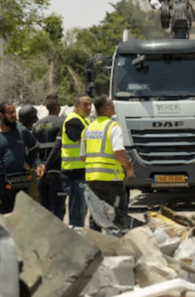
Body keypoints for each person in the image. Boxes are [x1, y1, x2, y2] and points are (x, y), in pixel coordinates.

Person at [81, 95, 134, 231]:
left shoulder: (87, 129)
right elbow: (119, 152)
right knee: (118, 214)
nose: (114, 105)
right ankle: (118, 245)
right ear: (107, 108)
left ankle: (97, 245)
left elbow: (83, 157)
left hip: (92, 179)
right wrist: (128, 168)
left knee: (96, 215)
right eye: (111, 104)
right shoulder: (113, 127)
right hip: (111, 180)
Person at [0, 102, 40, 213]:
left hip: (21, 184)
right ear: (1, 116)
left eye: (14, 112)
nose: (14, 116)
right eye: (10, 113)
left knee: (22, 219)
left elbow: (34, 148)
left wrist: (32, 163)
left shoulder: (22, 131)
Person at [49, 94, 91, 227]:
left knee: (81, 210)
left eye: (90, 105)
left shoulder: (84, 121)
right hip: (73, 173)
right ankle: (76, 240)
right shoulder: (73, 121)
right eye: (85, 105)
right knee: (77, 212)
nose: (89, 108)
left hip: (80, 172)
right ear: (76, 106)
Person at [27, 95, 67, 220]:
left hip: (41, 174)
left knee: (44, 209)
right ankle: (57, 238)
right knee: (58, 209)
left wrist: (40, 165)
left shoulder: (37, 125)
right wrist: (47, 164)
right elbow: (57, 147)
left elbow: (34, 150)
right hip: (56, 172)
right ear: (58, 107)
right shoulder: (62, 123)